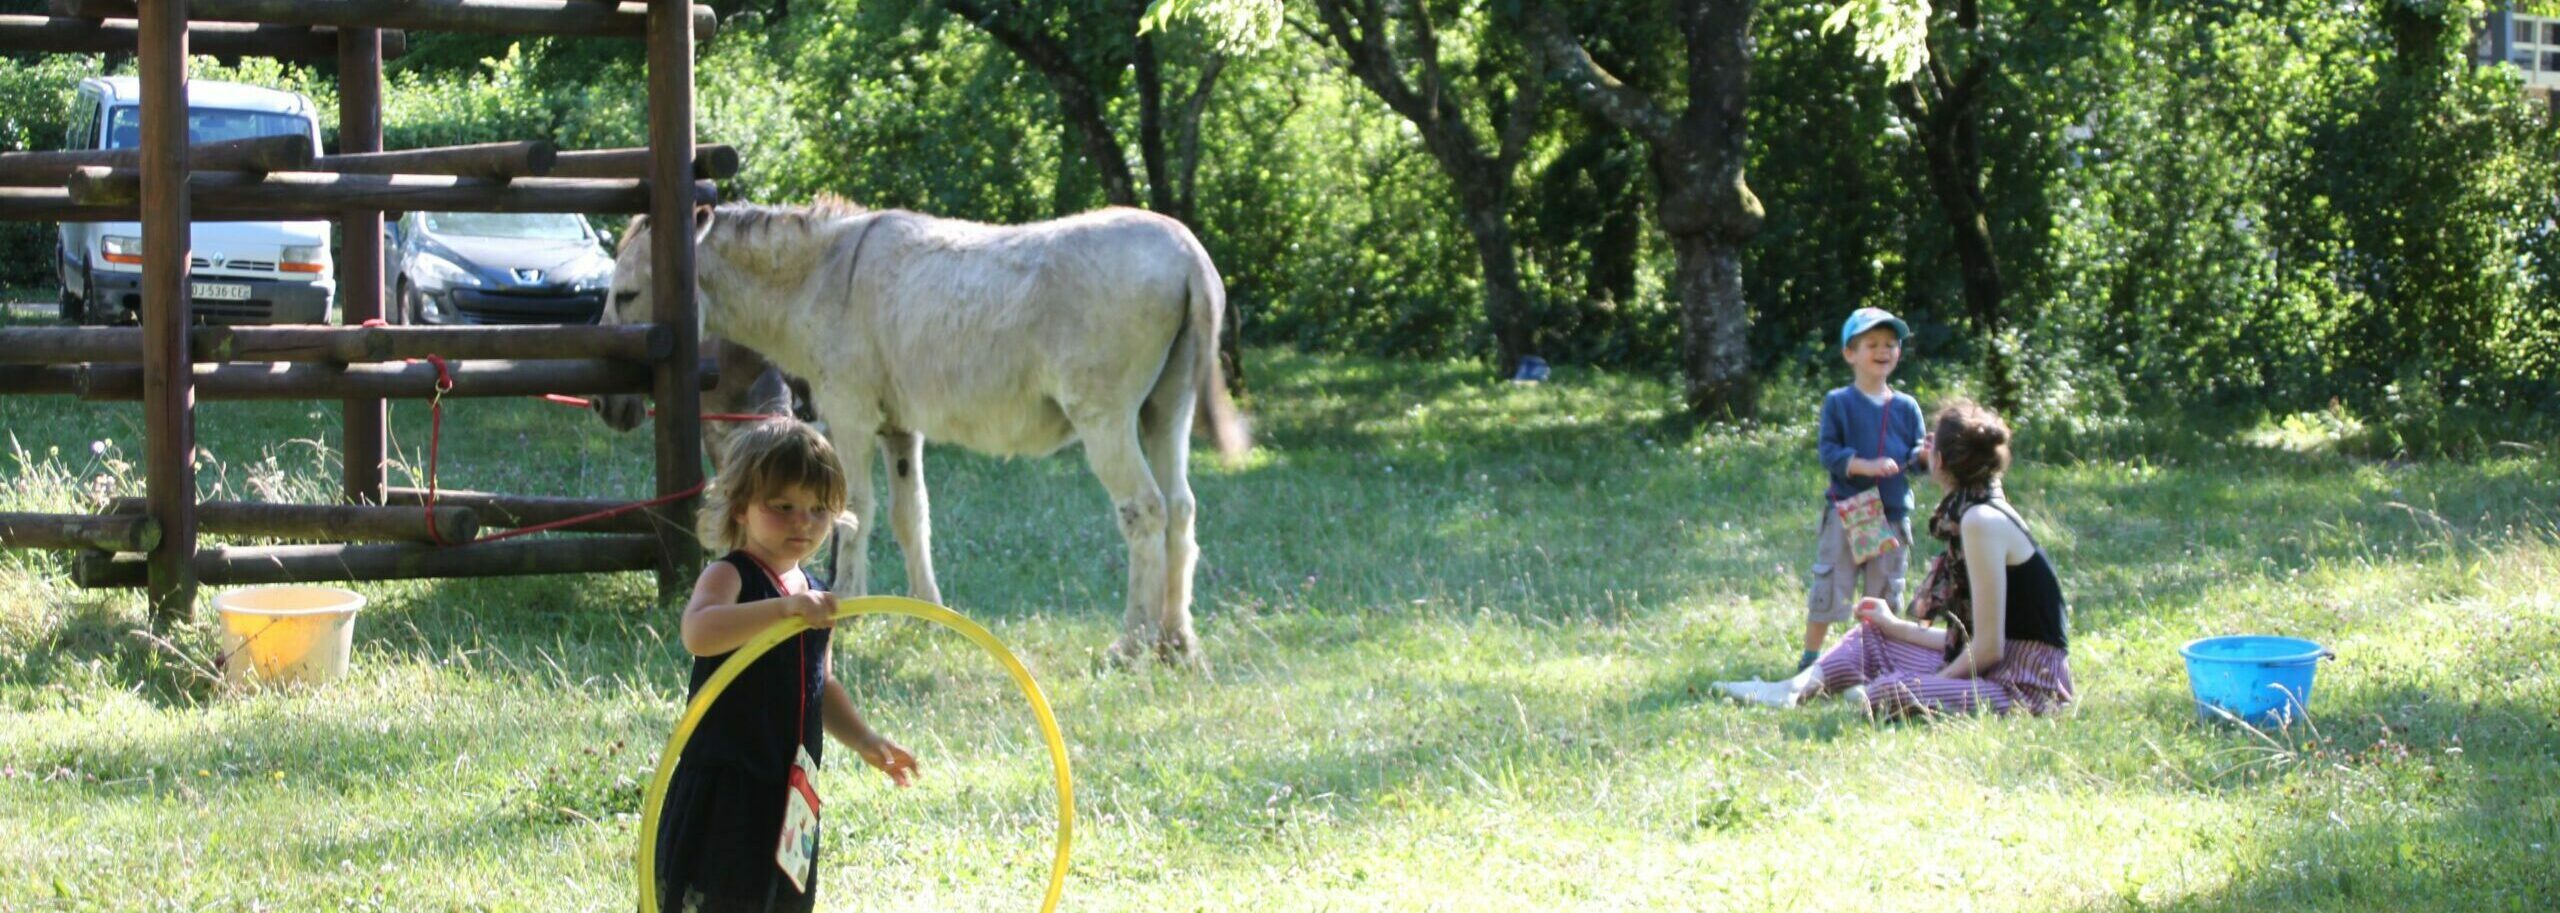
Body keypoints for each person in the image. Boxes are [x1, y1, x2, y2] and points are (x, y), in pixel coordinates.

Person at [654, 419, 920, 913]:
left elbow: (822, 683)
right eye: (783, 507)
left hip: (791, 793)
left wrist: (865, 739)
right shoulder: (731, 574)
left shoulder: (813, 595)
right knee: (725, 899)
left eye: (818, 509)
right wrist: (782, 611)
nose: (803, 521)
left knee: (782, 901)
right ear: (741, 507)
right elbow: (699, 631)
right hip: (729, 787)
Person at [1716, 400, 2075, 717]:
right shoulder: (1974, 509)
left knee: (1893, 691)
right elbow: (1969, 640)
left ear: (1942, 461)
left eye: (1933, 441)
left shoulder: (1981, 520)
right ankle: (1791, 690)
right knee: (1872, 635)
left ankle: (1879, 696)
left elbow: (1988, 648)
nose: (1926, 445)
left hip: (2027, 685)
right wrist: (1893, 626)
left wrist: (1933, 681)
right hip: (2001, 664)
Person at [1792, 307, 1930, 673]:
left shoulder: (1906, 406)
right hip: (1850, 507)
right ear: (1850, 354)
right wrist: (1866, 466)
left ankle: (1877, 662)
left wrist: (1927, 456)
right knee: (1832, 584)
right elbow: (1830, 452)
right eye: (1872, 344)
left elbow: (1916, 461)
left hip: (1891, 511)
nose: (1884, 351)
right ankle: (1811, 659)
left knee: (1883, 592)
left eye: (1891, 344)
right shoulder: (1839, 402)